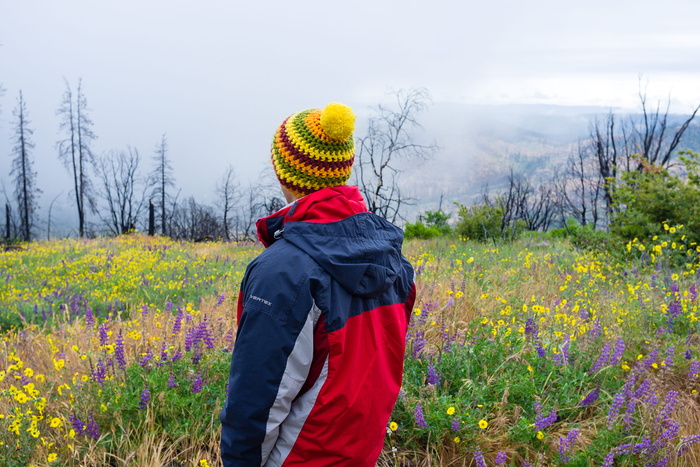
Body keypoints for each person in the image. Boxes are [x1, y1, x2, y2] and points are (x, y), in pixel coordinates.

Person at [219, 102, 416, 466]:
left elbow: (257, 403)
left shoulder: (281, 273)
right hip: (360, 455)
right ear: (345, 168)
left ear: (282, 171)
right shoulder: (393, 259)